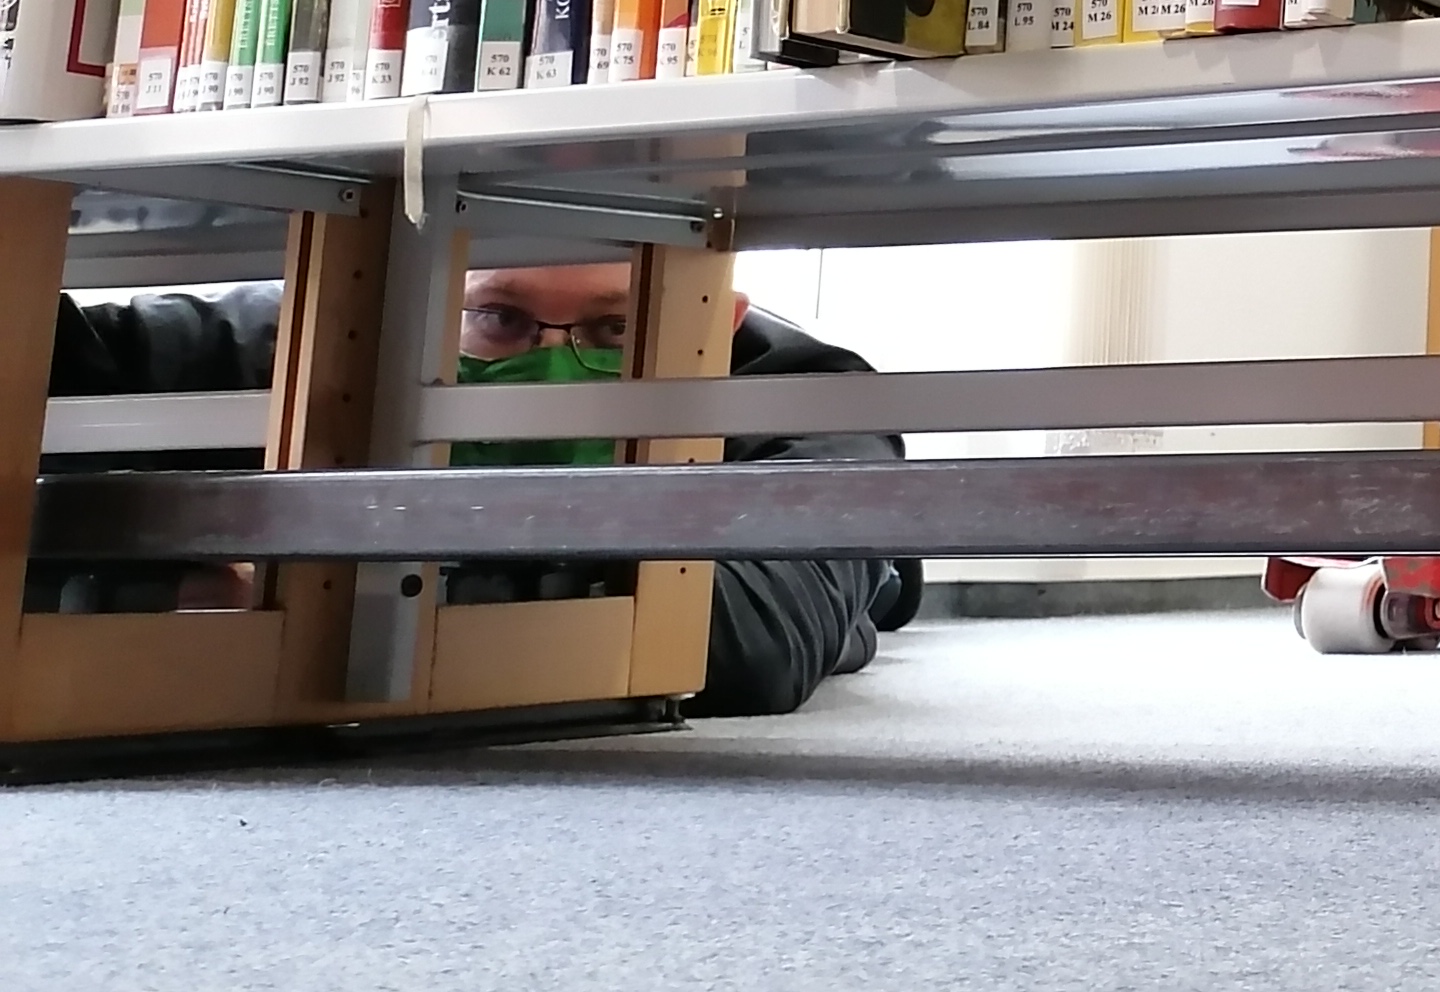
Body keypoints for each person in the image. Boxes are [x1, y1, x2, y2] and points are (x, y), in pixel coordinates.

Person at [52, 260, 916, 715]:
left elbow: (750, 647)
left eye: (616, 328)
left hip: (828, 555)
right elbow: (55, 359)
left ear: (717, 322)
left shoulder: (803, 392)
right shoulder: (316, 324)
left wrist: (293, 591)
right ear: (412, 290)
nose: (556, 364)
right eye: (499, 318)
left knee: (858, 595)